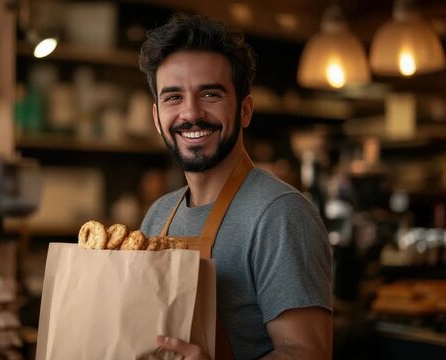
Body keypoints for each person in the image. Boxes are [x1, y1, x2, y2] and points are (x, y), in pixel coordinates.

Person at [138, 14, 332, 360]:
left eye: (210, 94)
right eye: (173, 98)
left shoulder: (279, 213)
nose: (190, 113)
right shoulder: (158, 216)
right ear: (156, 118)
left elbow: (308, 353)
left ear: (245, 110)